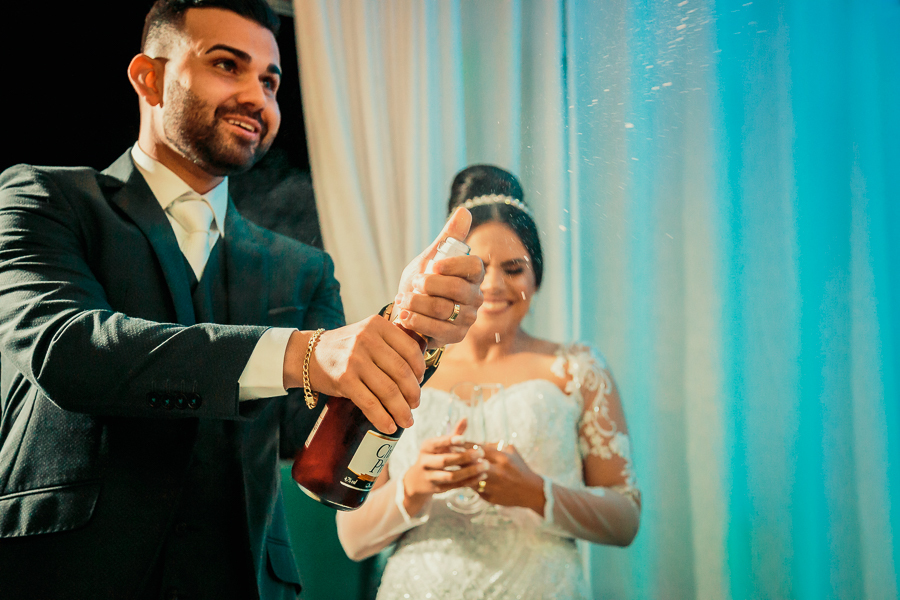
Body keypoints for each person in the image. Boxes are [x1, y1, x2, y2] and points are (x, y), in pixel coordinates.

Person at [0, 2, 484, 599]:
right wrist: (303, 354)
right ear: (148, 78)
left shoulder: (301, 269)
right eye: (227, 65)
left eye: (270, 82)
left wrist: (407, 327)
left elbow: (314, 445)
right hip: (67, 574)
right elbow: (66, 350)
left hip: (244, 580)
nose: (257, 97)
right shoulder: (45, 198)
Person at [335, 165, 641, 599]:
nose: (494, 286)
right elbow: (352, 538)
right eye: (477, 270)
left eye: (514, 269)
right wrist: (413, 487)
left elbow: (625, 519)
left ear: (537, 277)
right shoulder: (401, 366)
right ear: (448, 277)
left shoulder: (578, 370)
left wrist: (536, 493)